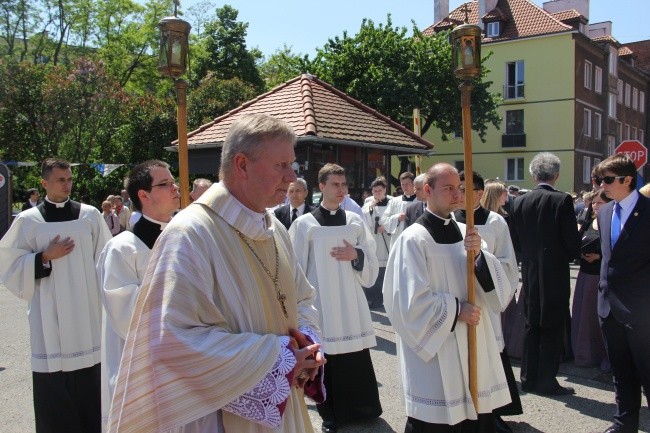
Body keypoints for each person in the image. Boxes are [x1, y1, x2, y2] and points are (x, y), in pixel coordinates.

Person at [107, 113, 325, 433]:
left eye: (292, 165)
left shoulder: (274, 228)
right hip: (219, 417)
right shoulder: (190, 233)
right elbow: (172, 340)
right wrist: (279, 358)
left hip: (283, 412)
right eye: (281, 165)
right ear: (241, 165)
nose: (292, 176)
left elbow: (301, 297)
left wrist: (306, 341)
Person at [383, 163, 512, 433]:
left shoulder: (468, 233)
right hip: (438, 346)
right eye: (449, 188)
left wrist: (478, 257)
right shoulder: (413, 240)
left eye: (460, 188)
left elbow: (496, 291)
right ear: (428, 190)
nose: (457, 195)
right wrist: (455, 311)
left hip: (472, 339)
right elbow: (407, 302)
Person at [0, 157, 112, 433]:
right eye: (61, 179)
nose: (67, 184)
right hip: (47, 312)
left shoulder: (90, 215)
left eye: (70, 179)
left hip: (86, 312)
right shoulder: (29, 221)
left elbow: (108, 259)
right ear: (44, 182)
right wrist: (43, 258)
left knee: (90, 385)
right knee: (54, 389)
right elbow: (8, 262)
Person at [290, 163, 381, 433]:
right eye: (335, 184)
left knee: (355, 356)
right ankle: (332, 413)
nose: (341, 189)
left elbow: (371, 256)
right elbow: (294, 268)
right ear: (321, 187)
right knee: (328, 357)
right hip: (321, 303)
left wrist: (358, 256)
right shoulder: (304, 225)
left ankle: (362, 410)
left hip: (350, 301)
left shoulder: (354, 221)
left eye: (344, 185)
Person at [97, 160, 180, 428]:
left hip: (181, 362)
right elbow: (123, 313)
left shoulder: (185, 240)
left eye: (173, 181)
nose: (175, 187)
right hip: (139, 366)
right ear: (143, 195)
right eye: (165, 184)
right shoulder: (122, 249)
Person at [455, 171, 521, 433]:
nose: (457, 193)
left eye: (464, 189)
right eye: (455, 188)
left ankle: (491, 412)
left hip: (485, 299)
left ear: (480, 193)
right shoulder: (447, 221)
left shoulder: (495, 223)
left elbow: (508, 264)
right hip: (459, 302)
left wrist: (483, 262)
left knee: (490, 354)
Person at [510, 152, 580, 396]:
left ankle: (528, 377)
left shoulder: (518, 201)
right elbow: (571, 242)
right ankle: (547, 380)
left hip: (530, 270)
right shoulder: (562, 201)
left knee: (532, 324)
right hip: (555, 271)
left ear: (532, 175)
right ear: (557, 175)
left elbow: (516, 240)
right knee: (552, 326)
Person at [595, 153, 650, 433]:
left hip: (641, 309)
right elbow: (608, 259)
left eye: (607, 180)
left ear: (627, 180)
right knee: (621, 372)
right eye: (598, 180)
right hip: (609, 307)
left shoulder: (648, 211)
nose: (601, 186)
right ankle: (624, 423)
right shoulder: (605, 212)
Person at [571, 189, 610, 372]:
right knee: (585, 317)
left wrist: (599, 257)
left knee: (599, 318)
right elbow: (576, 242)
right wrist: (581, 254)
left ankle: (605, 356)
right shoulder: (587, 221)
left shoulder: (611, 222)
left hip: (601, 276)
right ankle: (585, 354)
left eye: (599, 203)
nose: (595, 206)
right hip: (585, 275)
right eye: (594, 202)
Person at [361, 176, 392, 309]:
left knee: (386, 270)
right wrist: (371, 209)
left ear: (385, 190)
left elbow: (397, 218)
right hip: (373, 241)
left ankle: (384, 297)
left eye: (380, 190)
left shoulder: (392, 202)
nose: (377, 193)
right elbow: (363, 221)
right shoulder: (368, 205)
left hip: (387, 240)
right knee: (374, 269)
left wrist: (387, 227)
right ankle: (373, 297)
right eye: (375, 191)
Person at [381, 172, 417, 249]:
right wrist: (397, 217)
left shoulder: (420, 201)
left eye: (407, 184)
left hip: (415, 239)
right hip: (397, 239)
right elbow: (384, 220)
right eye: (402, 184)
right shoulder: (394, 201)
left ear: (413, 184)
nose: (404, 187)